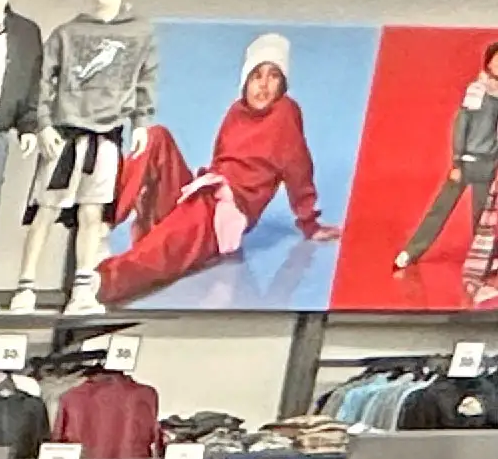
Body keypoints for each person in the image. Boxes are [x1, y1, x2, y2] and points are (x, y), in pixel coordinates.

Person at [97, 35, 335, 309]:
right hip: (200, 193)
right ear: (246, 81)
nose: (264, 85)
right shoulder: (236, 112)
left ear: (283, 84)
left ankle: (105, 281)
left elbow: (298, 168)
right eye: (257, 76)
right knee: (155, 137)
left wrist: (310, 223)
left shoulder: (285, 114)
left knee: (165, 247)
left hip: (222, 213)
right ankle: (104, 217)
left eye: (274, 77)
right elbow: (220, 160)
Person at [390, 38, 498, 289]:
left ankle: (483, 263)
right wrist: (457, 161)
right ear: (488, 62)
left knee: (482, 217)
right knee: (440, 209)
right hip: (467, 160)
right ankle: (411, 251)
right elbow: (461, 127)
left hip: (489, 165)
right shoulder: (476, 91)